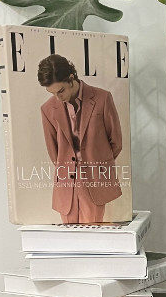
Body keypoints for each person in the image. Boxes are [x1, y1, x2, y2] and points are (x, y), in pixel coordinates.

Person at [38, 54, 123, 224]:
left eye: (61, 91)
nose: (58, 97)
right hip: (66, 184)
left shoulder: (102, 98)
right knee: (69, 236)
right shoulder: (47, 109)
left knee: (92, 231)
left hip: (95, 180)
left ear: (71, 78)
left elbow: (116, 142)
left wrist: (96, 163)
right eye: (52, 93)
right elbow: (54, 152)